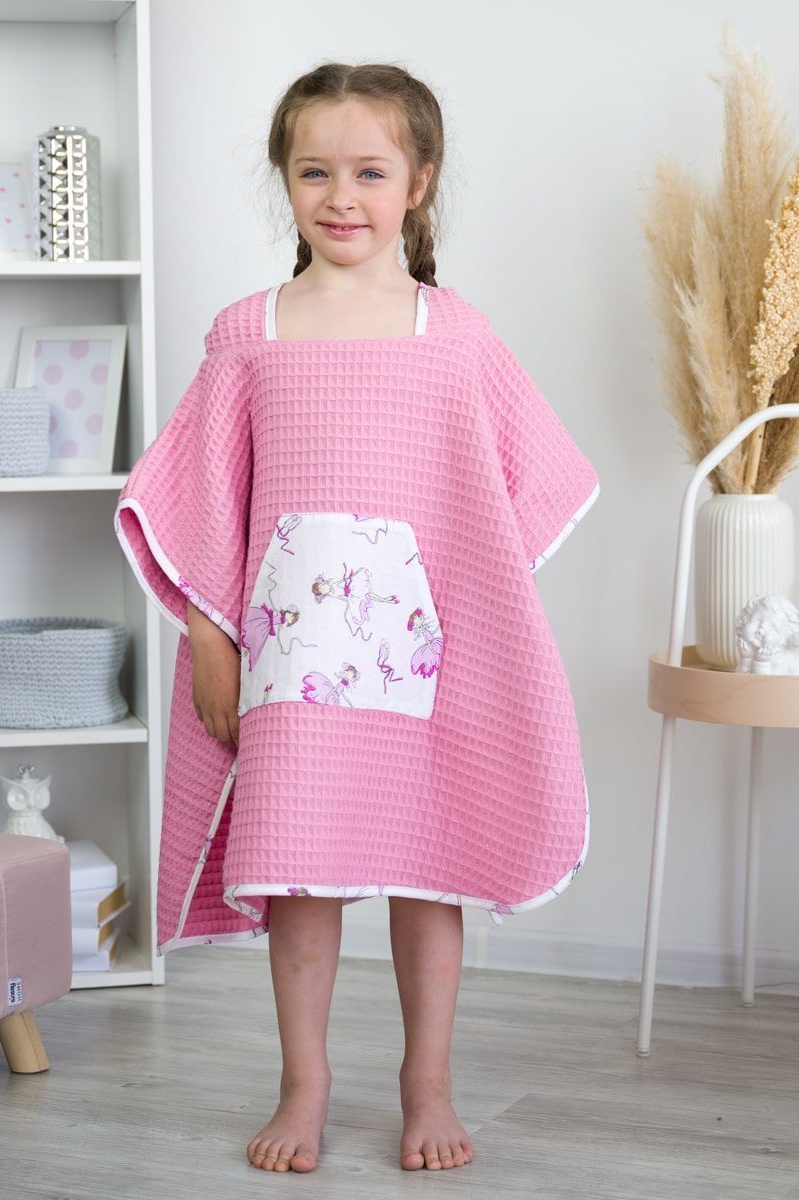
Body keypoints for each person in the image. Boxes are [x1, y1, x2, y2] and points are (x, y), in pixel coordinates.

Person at [114, 61, 600, 1175]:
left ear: (418, 182)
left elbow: (523, 486)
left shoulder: (455, 336)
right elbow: (199, 501)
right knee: (301, 875)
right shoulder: (249, 333)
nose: (342, 197)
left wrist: (481, 616)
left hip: (426, 656)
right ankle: (305, 1083)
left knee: (429, 875)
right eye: (315, 172)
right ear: (284, 180)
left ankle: (428, 1083)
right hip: (291, 659)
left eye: (371, 172)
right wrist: (208, 638)